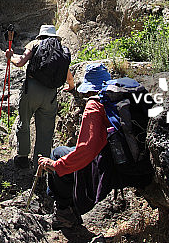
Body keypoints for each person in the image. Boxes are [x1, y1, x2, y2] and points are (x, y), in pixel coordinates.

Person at [37, 62, 113, 230]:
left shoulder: (94, 105)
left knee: (57, 156)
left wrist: (57, 166)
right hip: (115, 152)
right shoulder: (118, 95)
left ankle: (65, 212)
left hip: (102, 159)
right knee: (59, 151)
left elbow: (86, 149)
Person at [5, 25, 76, 170]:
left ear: (41, 35)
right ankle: (41, 166)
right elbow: (67, 73)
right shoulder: (61, 49)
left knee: (24, 122)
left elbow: (20, 63)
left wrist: (10, 57)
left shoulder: (35, 44)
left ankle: (23, 157)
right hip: (51, 94)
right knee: (46, 131)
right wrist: (71, 86)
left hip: (32, 89)